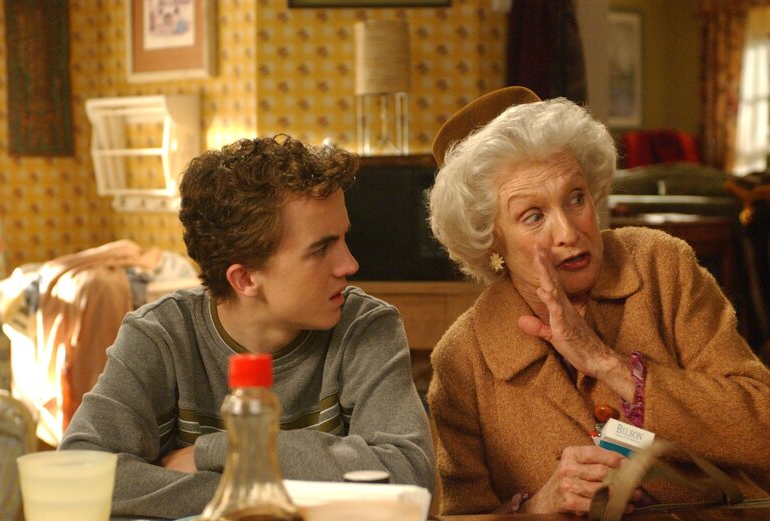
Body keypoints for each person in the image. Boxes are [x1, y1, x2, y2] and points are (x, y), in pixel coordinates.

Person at [426, 86, 770, 515]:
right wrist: (541, 507)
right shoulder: (463, 359)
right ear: (490, 241)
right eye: (533, 216)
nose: (569, 232)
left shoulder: (661, 267)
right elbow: (464, 514)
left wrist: (609, 365)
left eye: (576, 198)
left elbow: (762, 426)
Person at [60, 135, 435, 519]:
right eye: (321, 249)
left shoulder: (366, 326)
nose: (349, 264)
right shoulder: (160, 336)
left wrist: (220, 451)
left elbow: (409, 476)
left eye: (343, 238)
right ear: (245, 279)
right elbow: (79, 475)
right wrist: (254, 498)